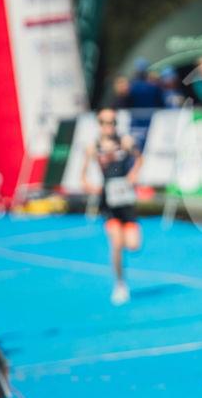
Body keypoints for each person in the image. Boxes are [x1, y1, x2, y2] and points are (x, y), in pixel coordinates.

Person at [82, 108, 143, 305]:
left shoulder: (124, 142)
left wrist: (133, 175)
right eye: (104, 122)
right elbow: (83, 175)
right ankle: (120, 284)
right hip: (108, 202)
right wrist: (90, 187)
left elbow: (139, 159)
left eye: (112, 122)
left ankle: (123, 239)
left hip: (125, 199)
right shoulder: (94, 147)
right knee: (116, 243)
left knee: (133, 245)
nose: (109, 126)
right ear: (99, 125)